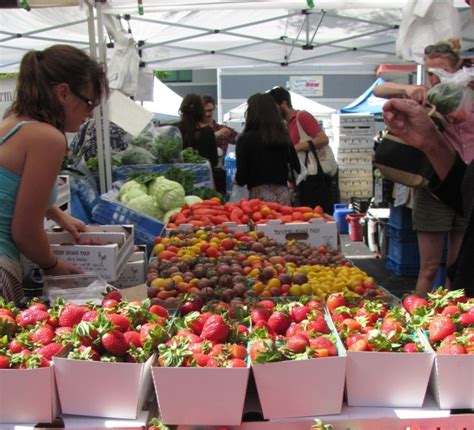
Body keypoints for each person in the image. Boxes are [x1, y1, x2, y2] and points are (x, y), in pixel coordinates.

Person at [0, 45, 108, 303]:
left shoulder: (13, 121)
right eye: (89, 102)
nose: (90, 113)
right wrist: (52, 266)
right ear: (63, 93)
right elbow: (24, 232)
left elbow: (11, 187)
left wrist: (56, 213)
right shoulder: (48, 138)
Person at [373, 38, 474, 296]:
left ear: (457, 70)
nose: (434, 79)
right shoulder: (426, 97)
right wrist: (409, 91)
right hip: (433, 188)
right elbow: (380, 90)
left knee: (457, 265)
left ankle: (450, 316)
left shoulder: (468, 95)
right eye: (430, 73)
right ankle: (418, 316)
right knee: (428, 267)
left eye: (440, 72)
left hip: (469, 186)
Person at [383, 98, 473, 297]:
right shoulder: (435, 96)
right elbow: (467, 195)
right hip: (439, 189)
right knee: (432, 266)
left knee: (452, 263)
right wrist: (431, 141)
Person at [269, 87, 332, 212]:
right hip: (303, 177)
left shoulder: (302, 116)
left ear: (284, 103)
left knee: (318, 214)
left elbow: (323, 139)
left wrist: (294, 148)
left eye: (274, 106)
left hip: (315, 177)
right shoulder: (286, 125)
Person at [235, 92, 300, 205]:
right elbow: (297, 168)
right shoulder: (283, 136)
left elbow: (241, 178)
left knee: (262, 222)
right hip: (283, 197)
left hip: (258, 199)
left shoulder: (245, 139)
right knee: (283, 222)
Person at [176, 94, 218, 167]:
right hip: (202, 175)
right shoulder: (207, 131)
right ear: (200, 110)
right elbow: (214, 161)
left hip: (178, 174)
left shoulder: (174, 129)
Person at [202, 95, 238, 163]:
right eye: (204, 111)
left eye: (209, 110)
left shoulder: (223, 129)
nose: (207, 114)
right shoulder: (196, 131)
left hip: (222, 170)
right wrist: (214, 135)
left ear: (214, 108)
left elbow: (241, 139)